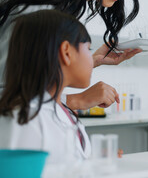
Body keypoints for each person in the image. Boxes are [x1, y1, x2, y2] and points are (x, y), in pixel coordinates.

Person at [0, 0, 143, 111]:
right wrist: (77, 100)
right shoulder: (39, 5)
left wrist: (90, 61)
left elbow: (34, 75)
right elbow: (8, 93)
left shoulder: (65, 1)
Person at [0, 10, 93, 164]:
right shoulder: (24, 119)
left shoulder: (60, 110)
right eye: (89, 49)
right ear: (66, 52)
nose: (91, 58)